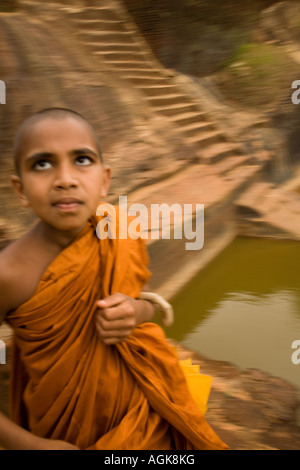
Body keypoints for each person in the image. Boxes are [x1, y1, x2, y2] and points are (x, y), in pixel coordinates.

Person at [0, 108, 228, 450]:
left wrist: (134, 313)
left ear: (104, 180)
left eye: (81, 159)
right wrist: (30, 446)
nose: (65, 178)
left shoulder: (118, 230)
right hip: (64, 432)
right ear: (19, 189)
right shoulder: (8, 273)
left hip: (145, 408)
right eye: (43, 164)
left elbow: (145, 302)